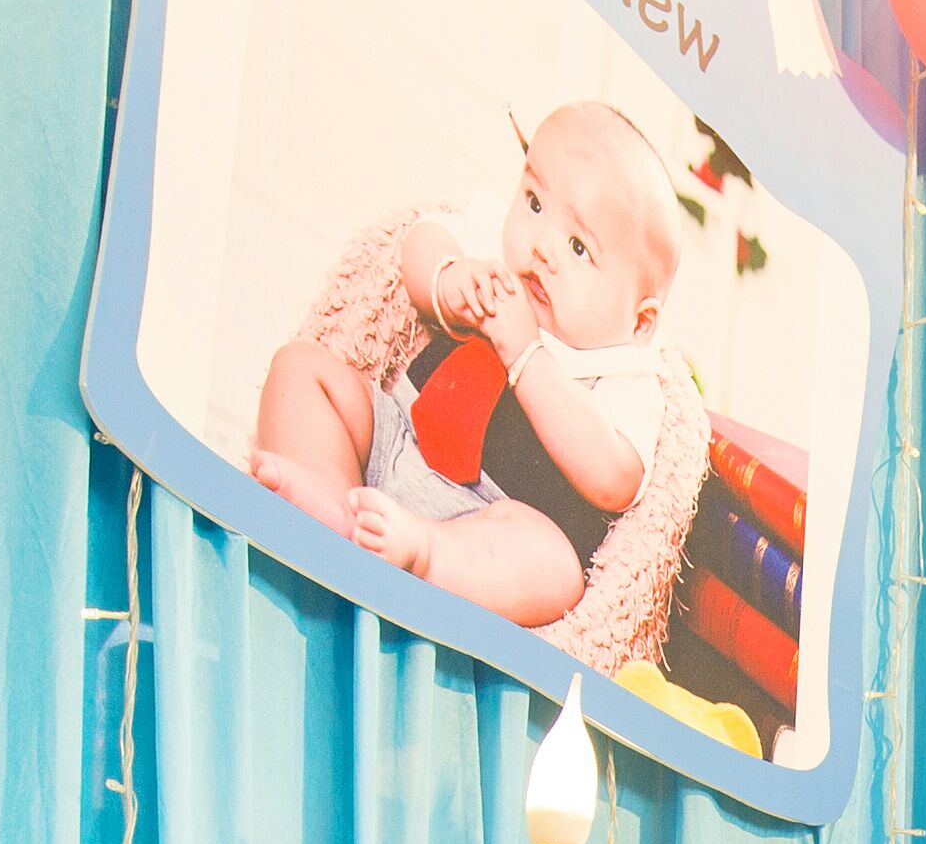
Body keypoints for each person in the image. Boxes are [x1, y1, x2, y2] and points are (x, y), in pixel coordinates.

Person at [246, 101, 693, 630]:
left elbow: (614, 478)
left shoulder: (628, 373)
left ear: (639, 322)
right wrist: (447, 279)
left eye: (578, 247)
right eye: (535, 203)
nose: (542, 247)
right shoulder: (494, 256)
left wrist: (528, 357)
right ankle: (336, 503)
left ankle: (424, 555)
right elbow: (421, 237)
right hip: (396, 440)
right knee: (302, 370)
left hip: (488, 521)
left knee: (555, 568)